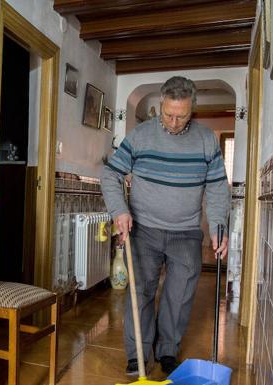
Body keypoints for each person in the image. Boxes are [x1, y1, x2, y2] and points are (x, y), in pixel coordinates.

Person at [101, 76, 230, 377]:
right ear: (160, 106)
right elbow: (110, 175)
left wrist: (218, 225)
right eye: (168, 114)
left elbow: (217, 188)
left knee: (180, 295)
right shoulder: (140, 136)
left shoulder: (206, 140)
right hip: (143, 228)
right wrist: (119, 210)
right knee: (142, 292)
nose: (173, 122)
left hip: (186, 231)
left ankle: (168, 350)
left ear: (192, 110)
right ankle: (138, 355)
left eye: (181, 116)